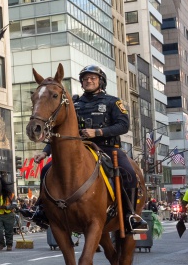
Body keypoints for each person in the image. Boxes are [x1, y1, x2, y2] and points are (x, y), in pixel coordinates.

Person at [28, 65, 145, 232]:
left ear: (101, 81)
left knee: (128, 172)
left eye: (93, 78)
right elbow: (59, 130)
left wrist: (98, 131)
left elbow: (123, 125)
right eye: (85, 78)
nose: (88, 80)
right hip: (80, 147)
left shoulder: (113, 102)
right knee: (47, 169)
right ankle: (41, 210)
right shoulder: (74, 103)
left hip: (108, 148)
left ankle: (131, 215)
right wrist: (45, 152)